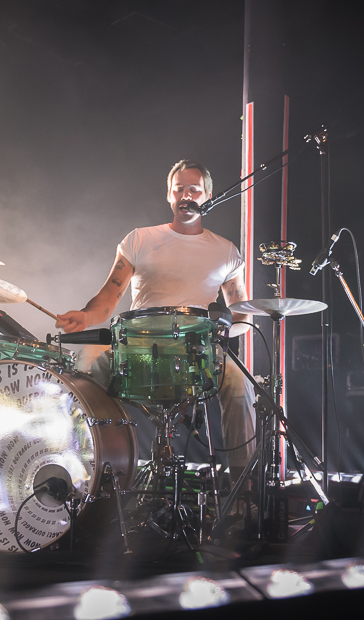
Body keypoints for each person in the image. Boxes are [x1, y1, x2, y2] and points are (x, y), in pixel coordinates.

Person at [55, 159, 256, 474]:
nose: (185, 195)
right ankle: (82, 471)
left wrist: (226, 328)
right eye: (179, 189)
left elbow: (242, 312)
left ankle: (244, 495)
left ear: (208, 196)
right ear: (169, 195)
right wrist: (85, 315)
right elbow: (109, 297)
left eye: (194, 189)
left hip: (199, 351)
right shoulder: (139, 240)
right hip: (138, 346)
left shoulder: (226, 251)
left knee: (241, 385)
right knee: (84, 367)